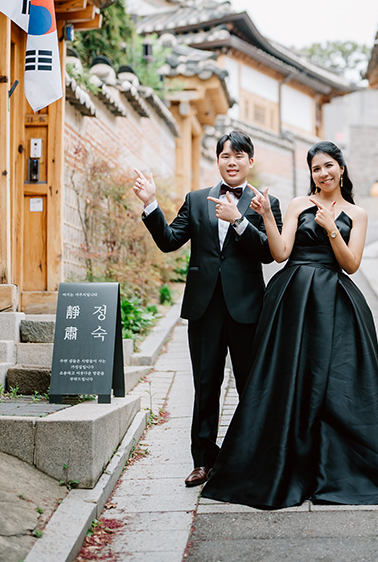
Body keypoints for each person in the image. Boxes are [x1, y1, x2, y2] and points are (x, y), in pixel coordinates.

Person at [201, 141, 378, 509]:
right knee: (288, 378)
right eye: (315, 169)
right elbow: (280, 254)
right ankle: (281, 459)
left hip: (334, 298)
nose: (323, 174)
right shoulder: (297, 205)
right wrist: (263, 216)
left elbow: (351, 264)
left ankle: (336, 465)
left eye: (329, 166)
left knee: (334, 381)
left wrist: (331, 229)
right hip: (291, 296)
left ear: (341, 168)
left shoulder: (357, 214)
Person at [132, 130, 282, 488]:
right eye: (225, 156)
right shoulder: (197, 200)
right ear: (217, 161)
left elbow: (267, 252)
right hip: (204, 309)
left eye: (239, 156)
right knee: (205, 385)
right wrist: (151, 204)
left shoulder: (264, 202)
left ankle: (250, 456)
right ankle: (202, 461)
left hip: (246, 308)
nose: (232, 162)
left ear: (250, 161)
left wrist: (239, 219)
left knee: (250, 385)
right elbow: (170, 241)